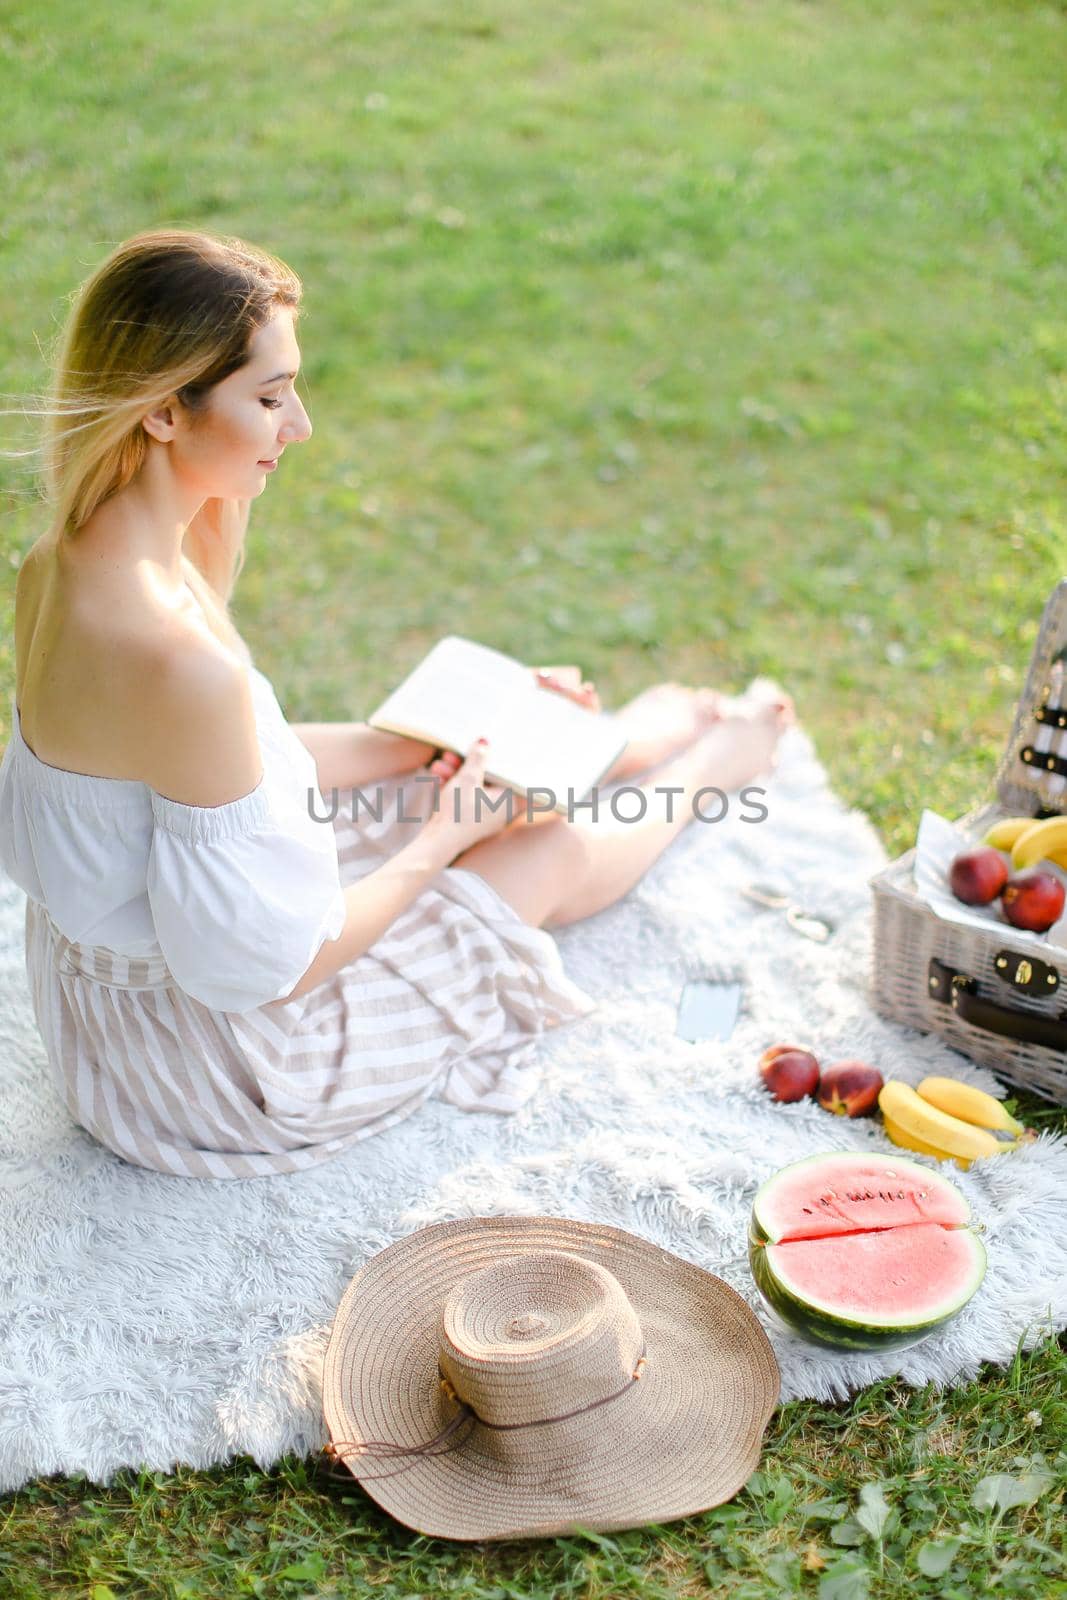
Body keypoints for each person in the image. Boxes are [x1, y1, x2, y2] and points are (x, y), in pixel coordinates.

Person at [0, 228, 794, 1181]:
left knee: (449, 787)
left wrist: (420, 750)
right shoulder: (173, 654)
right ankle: (718, 761)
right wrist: (444, 838)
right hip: (214, 1069)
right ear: (166, 411)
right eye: (268, 396)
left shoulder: (63, 563)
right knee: (538, 846)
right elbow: (274, 972)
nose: (299, 426)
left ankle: (617, 742)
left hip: (108, 1021)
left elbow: (200, 767)